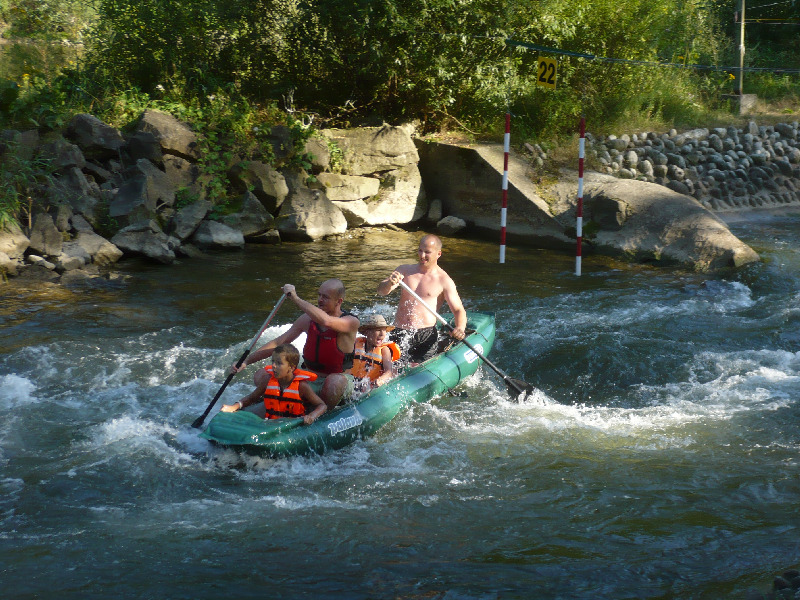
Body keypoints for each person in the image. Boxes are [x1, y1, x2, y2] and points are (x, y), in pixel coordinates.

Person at [230, 279, 360, 410]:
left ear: (339, 301)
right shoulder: (307, 320)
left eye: (325, 297)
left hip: (339, 382)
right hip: (309, 377)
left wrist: (295, 298)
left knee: (334, 382)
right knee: (261, 375)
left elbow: (326, 321)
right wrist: (247, 360)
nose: (320, 300)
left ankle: (322, 412)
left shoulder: (350, 322)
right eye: (319, 295)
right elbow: (278, 343)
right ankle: (271, 403)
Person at [377, 234, 467, 364]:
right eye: (420, 250)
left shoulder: (444, 280)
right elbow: (381, 291)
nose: (422, 255)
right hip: (399, 330)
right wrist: (389, 283)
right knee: (390, 369)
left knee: (415, 371)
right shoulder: (404, 270)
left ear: (438, 254)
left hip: (425, 335)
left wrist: (460, 328)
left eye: (427, 252)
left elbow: (459, 310)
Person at [220, 344, 326, 425]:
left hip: (292, 426)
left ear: (292, 368)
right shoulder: (268, 380)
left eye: (279, 363)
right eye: (273, 361)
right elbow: (252, 398)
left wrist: (311, 416)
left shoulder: (302, 386)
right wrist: (234, 406)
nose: (274, 366)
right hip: (271, 423)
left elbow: (322, 405)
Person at [347, 314, 401, 392]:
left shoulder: (384, 350)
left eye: (384, 330)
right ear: (367, 332)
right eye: (378, 330)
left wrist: (380, 380)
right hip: (352, 384)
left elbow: (389, 372)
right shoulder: (355, 345)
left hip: (370, 388)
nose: (382, 334)